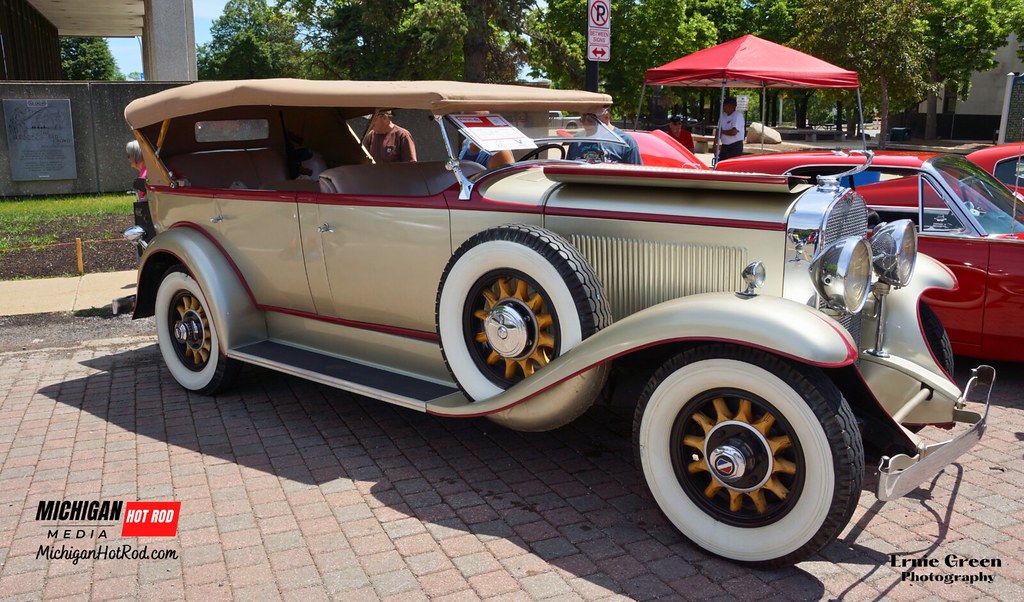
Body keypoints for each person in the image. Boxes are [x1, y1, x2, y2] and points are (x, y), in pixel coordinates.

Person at [566, 109, 642, 164]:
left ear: (606, 116)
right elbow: (568, 171)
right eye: (583, 118)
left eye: (590, 119)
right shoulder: (577, 141)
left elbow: (636, 175)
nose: (586, 123)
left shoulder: (625, 141)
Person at [716, 96, 745, 161]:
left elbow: (733, 132)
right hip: (725, 146)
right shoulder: (723, 115)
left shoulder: (738, 115)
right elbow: (718, 130)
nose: (723, 107)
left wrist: (722, 131)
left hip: (735, 147)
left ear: (732, 106)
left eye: (725, 105)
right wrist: (715, 144)